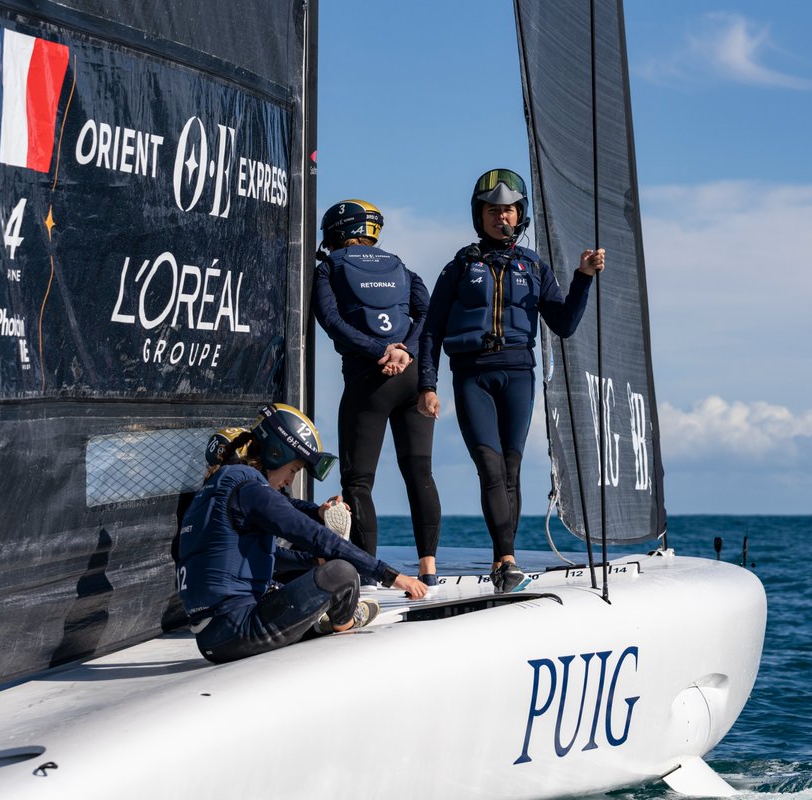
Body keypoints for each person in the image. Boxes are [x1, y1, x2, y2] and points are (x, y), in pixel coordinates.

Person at [417, 169, 605, 593]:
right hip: (472, 375)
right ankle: (504, 558)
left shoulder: (534, 266)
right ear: (478, 216)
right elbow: (431, 331)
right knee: (490, 467)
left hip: (518, 374)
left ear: (520, 215)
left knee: (512, 470)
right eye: (492, 211)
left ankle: (507, 561)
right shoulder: (460, 266)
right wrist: (426, 386)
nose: (500, 217)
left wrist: (583, 277)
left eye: (508, 210)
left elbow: (564, 324)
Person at [175, 403, 428, 663]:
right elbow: (316, 537)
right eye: (294, 470)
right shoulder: (249, 489)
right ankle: (346, 621)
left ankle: (319, 623)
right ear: (276, 453)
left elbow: (280, 517)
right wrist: (391, 576)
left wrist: (317, 514)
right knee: (342, 571)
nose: (290, 481)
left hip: (210, 639)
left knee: (302, 564)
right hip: (239, 630)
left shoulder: (213, 493)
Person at [312, 199, 442, 584]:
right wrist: (405, 350)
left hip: (369, 379)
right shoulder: (402, 267)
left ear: (335, 233)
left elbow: (331, 320)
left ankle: (367, 576)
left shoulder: (328, 268)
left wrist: (378, 350)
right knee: (420, 472)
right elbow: (427, 316)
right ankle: (429, 571)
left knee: (357, 482)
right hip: (412, 375)